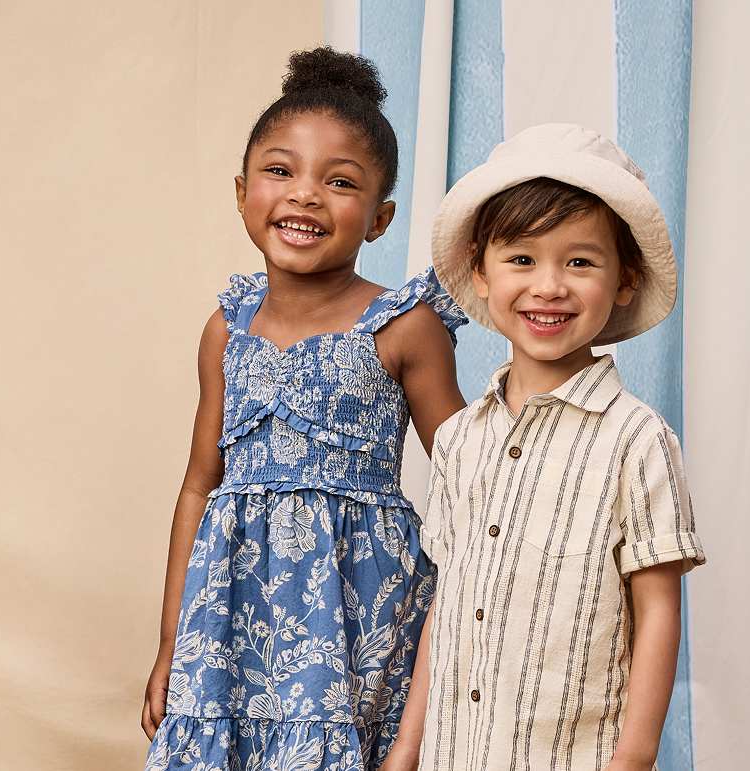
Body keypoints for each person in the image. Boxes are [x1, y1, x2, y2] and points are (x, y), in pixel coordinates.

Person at [140, 47, 467, 771]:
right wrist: (172, 639)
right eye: (280, 170)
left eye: (339, 181)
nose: (305, 195)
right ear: (241, 190)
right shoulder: (227, 327)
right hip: (229, 615)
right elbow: (200, 481)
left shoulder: (402, 325)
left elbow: (470, 478)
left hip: (355, 616)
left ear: (379, 218)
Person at [383, 124, 707, 771]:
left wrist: (633, 756)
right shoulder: (457, 440)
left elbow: (657, 610)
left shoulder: (636, 438)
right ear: (479, 270)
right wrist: (407, 748)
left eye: (579, 261)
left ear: (623, 279)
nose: (548, 286)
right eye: (521, 259)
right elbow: (446, 605)